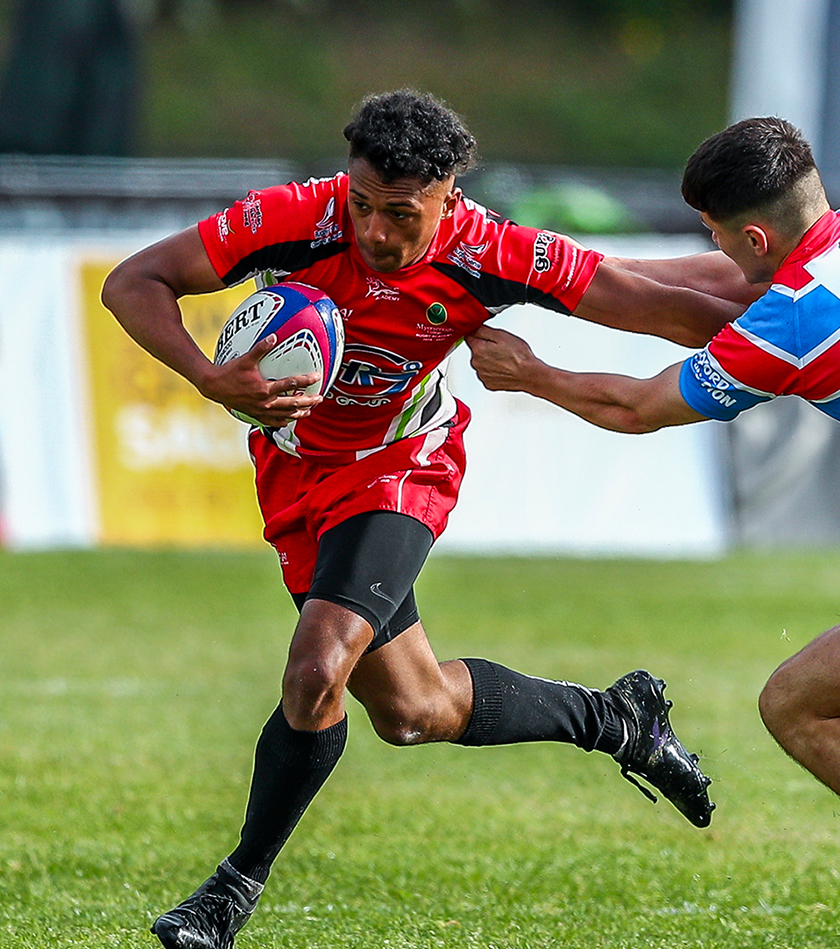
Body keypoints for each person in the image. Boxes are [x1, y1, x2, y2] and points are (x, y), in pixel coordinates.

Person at [100, 89, 757, 949]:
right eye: (363, 204)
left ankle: (228, 892)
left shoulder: (494, 252)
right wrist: (203, 372)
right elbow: (132, 281)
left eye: (400, 214)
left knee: (315, 666)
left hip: (399, 469)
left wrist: (804, 346)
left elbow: (645, 301)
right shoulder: (297, 217)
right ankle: (618, 720)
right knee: (411, 710)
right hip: (296, 469)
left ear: (448, 198)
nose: (374, 230)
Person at [467, 116, 840, 949]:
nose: (710, 246)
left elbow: (635, 406)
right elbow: (730, 286)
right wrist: (579, 277)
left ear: (755, 233)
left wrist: (535, 373)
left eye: (716, 232)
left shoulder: (795, 321)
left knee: (800, 703)